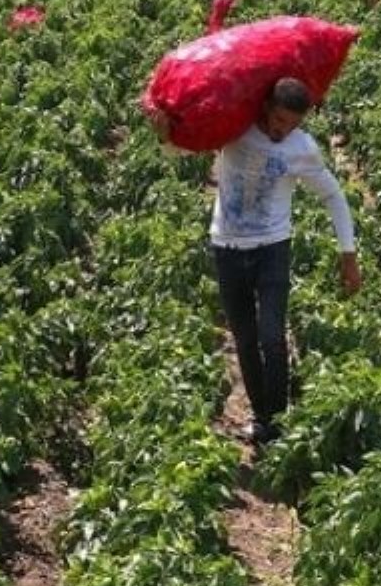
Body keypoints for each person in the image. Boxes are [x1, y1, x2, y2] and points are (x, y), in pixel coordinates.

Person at [150, 77, 362, 445]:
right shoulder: (235, 126)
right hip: (227, 247)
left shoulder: (301, 148)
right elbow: (182, 149)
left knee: (272, 337)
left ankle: (277, 420)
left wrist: (348, 255)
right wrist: (164, 134)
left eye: (293, 124)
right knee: (245, 340)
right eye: (280, 120)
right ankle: (262, 418)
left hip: (272, 248)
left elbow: (333, 195)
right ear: (266, 107)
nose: (284, 130)